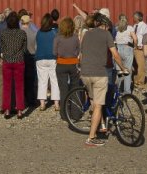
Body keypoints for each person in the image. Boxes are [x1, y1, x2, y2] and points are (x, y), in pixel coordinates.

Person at [79, 13, 127, 147]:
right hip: (99, 73)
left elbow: (81, 54)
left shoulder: (87, 34)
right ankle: (91, 137)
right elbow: (115, 54)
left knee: (94, 102)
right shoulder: (106, 35)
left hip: (85, 73)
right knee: (99, 105)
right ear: (105, 25)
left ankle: (99, 126)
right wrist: (123, 67)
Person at [0, 12, 27, 118]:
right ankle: (19, 110)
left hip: (7, 61)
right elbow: (24, 49)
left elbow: (2, 48)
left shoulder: (3, 33)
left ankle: (7, 110)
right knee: (19, 87)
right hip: (19, 61)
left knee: (6, 86)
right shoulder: (22, 33)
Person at [35, 13, 59, 111]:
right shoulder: (54, 32)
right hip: (52, 58)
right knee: (54, 81)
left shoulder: (38, 32)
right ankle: (56, 104)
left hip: (40, 58)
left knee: (42, 81)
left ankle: (42, 104)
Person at [54, 16, 80, 99]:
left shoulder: (57, 38)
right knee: (75, 87)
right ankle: (75, 110)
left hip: (61, 64)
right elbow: (78, 50)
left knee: (63, 89)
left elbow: (54, 52)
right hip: (73, 64)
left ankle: (63, 111)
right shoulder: (75, 37)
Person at [114, 14, 137, 94]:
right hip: (127, 48)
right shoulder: (130, 28)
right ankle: (127, 91)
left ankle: (118, 91)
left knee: (120, 71)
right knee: (127, 71)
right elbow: (135, 38)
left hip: (118, 49)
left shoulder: (116, 28)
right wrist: (135, 46)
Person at [21, 14, 38, 108]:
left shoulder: (19, 32)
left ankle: (23, 100)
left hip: (22, 57)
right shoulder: (34, 33)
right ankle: (31, 100)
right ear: (29, 22)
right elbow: (36, 47)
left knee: (22, 79)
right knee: (31, 80)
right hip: (31, 57)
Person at [132, 11, 147, 88]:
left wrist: (143, 46)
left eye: (135, 17)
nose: (133, 18)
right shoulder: (134, 25)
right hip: (134, 47)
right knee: (135, 65)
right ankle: (136, 79)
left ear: (139, 17)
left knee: (141, 65)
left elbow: (146, 37)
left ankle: (141, 81)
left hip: (140, 48)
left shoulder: (144, 26)